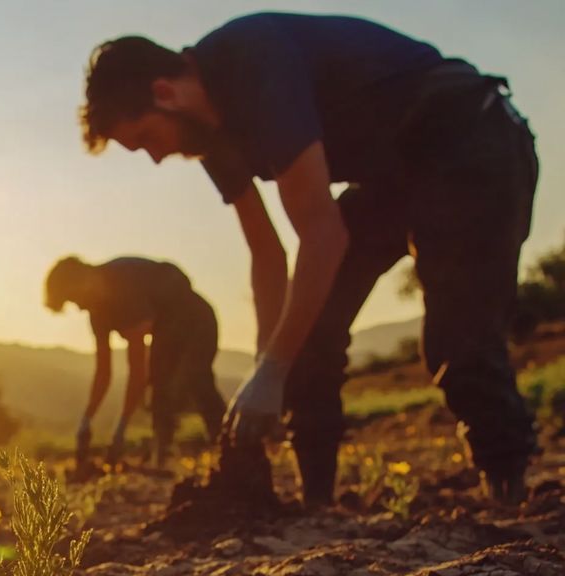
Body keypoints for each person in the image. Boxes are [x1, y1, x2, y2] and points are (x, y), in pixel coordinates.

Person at [79, 13, 539, 503]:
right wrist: (266, 363)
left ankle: (508, 490)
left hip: (470, 140)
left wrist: (272, 369)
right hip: (392, 178)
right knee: (302, 336)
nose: (154, 157)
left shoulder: (253, 61)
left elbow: (322, 233)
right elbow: (266, 252)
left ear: (164, 93)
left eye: (146, 138)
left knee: (457, 336)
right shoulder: (209, 140)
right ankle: (316, 501)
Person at [44, 255, 226, 466]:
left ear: (83, 280)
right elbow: (103, 372)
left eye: (74, 298)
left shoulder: (121, 287)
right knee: (159, 386)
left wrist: (121, 428)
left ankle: (228, 450)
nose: (78, 307)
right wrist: (86, 421)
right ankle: (163, 455)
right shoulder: (97, 315)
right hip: (166, 329)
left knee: (193, 380)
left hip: (197, 320)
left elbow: (137, 370)